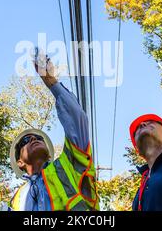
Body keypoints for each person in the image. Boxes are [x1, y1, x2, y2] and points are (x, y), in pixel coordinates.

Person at [9, 55, 98, 211]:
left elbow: (77, 119)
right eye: (25, 141)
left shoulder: (69, 165)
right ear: (19, 163)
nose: (33, 139)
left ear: (49, 155)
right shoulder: (16, 199)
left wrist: (51, 82)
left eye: (38, 138)